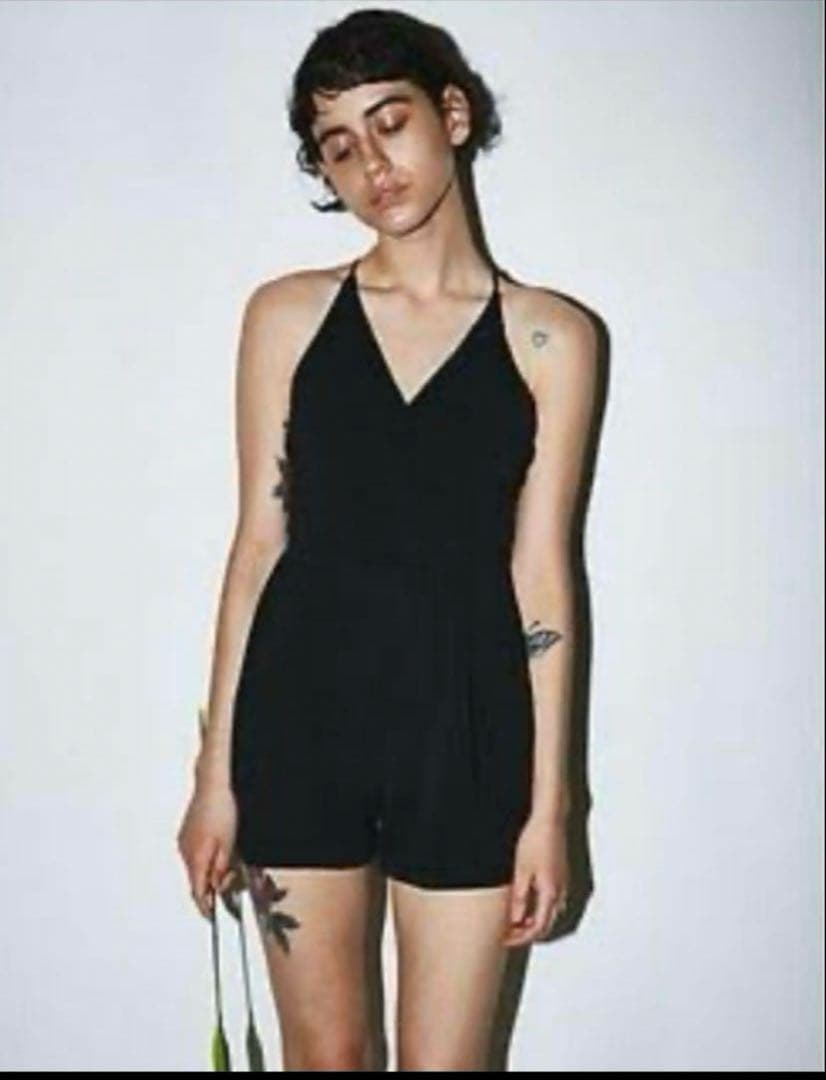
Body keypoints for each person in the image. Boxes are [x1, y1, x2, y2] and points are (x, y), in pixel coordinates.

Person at [177, 7, 598, 1072]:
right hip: (299, 729)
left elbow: (543, 575)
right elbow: (257, 547)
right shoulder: (287, 317)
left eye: (390, 121)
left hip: (467, 737)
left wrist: (550, 808)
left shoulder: (550, 337)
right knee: (325, 1059)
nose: (371, 163)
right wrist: (214, 776)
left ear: (451, 116)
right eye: (338, 145)